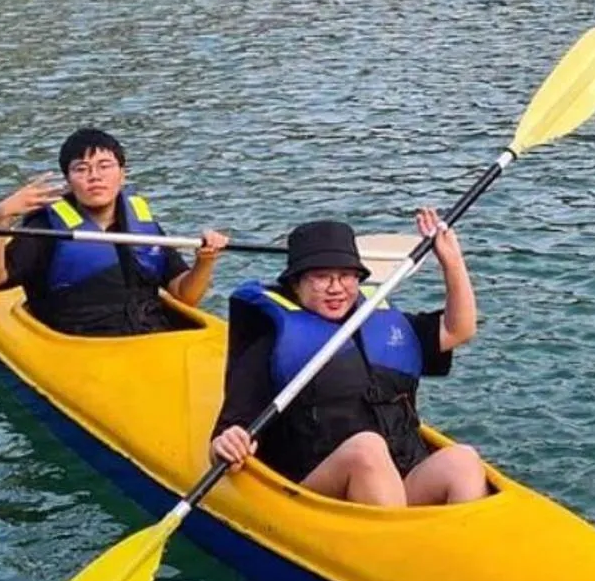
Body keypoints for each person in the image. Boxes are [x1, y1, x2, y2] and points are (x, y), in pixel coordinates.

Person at [209, 211, 487, 507]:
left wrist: (452, 262)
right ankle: (396, 548)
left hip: (400, 481)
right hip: (319, 493)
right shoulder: (270, 347)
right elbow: (224, 440)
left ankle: (463, 544)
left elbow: (459, 329)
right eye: (321, 277)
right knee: (367, 450)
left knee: (463, 460)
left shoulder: (382, 323)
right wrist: (228, 443)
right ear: (295, 284)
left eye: (345, 276)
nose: (336, 288)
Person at [0, 126, 228, 336]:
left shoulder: (141, 222)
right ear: (69, 181)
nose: (94, 176)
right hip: (82, 343)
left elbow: (185, 295)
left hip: (150, 336)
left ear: (122, 174)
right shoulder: (46, 228)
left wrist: (205, 261)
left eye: (104, 166)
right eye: (81, 169)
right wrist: (1, 218)